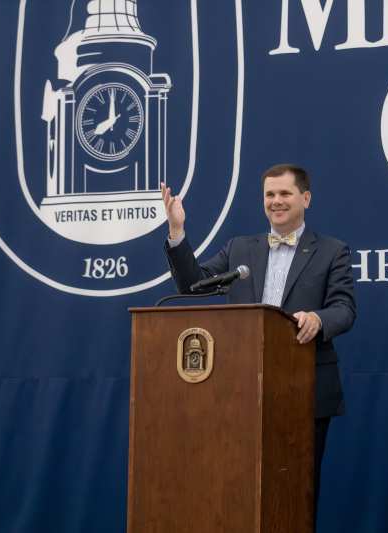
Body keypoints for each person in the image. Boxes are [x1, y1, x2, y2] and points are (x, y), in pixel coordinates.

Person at [161, 163, 356, 513]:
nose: (276, 201)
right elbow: (192, 285)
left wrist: (318, 318)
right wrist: (177, 230)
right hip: (240, 389)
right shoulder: (239, 248)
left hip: (304, 387)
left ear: (306, 198)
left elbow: (344, 309)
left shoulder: (332, 250)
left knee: (298, 490)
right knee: (240, 486)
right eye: (270, 194)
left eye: (285, 193)